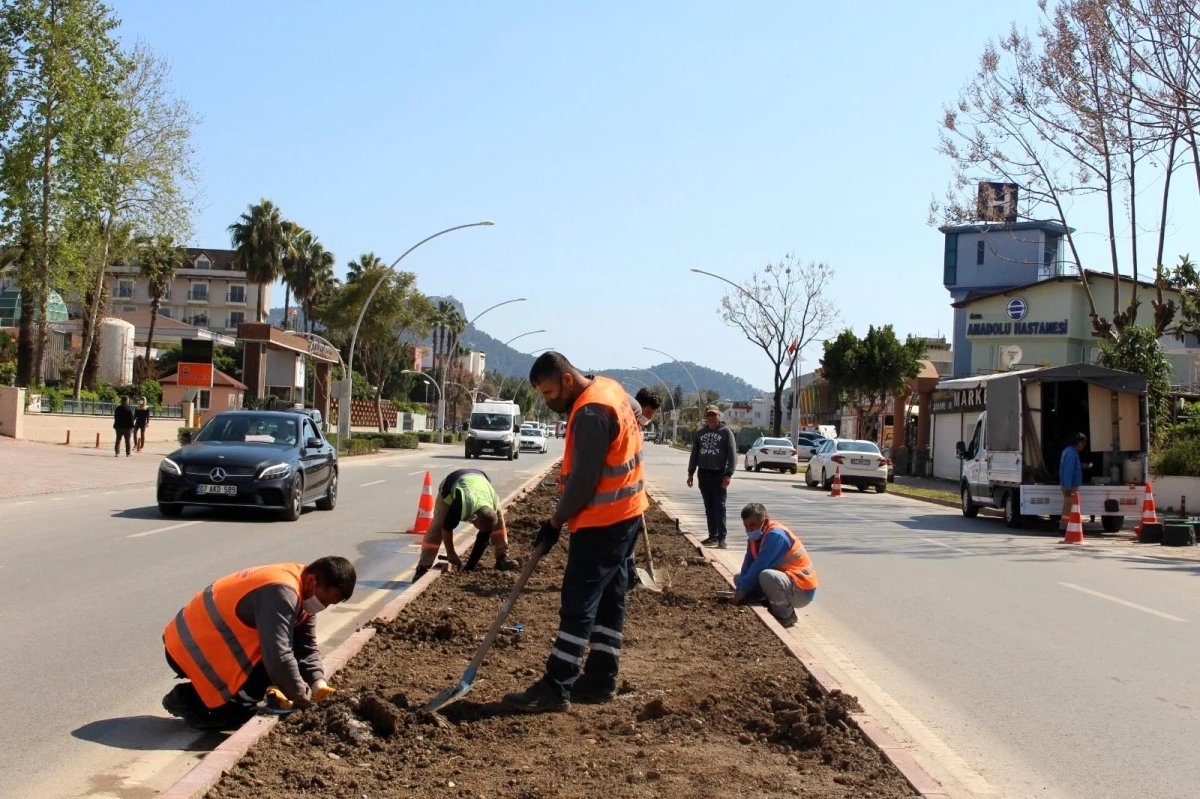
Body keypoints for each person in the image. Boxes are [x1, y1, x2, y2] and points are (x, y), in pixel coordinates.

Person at [503, 352, 648, 713]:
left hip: (603, 520)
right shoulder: (608, 388)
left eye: (550, 393)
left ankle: (557, 684)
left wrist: (554, 522)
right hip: (628, 513)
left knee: (578, 602)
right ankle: (600, 680)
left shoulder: (590, 412)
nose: (548, 401)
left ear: (567, 380)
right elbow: (636, 411)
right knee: (611, 597)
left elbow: (584, 482)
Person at [161, 556, 356, 730]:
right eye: (323, 600)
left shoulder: (302, 587)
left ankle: (222, 697)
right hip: (189, 649)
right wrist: (302, 700)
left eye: (329, 604)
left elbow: (305, 646)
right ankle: (188, 698)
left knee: (279, 668)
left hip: (207, 644)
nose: (323, 607)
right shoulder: (282, 591)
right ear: (312, 580)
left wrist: (317, 683)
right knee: (242, 708)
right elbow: (278, 656)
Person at [413, 468, 519, 580]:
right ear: (474, 517)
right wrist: (451, 553)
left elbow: (483, 541)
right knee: (438, 525)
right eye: (479, 528)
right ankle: (423, 566)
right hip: (452, 484)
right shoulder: (461, 503)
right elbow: (446, 528)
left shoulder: (493, 503)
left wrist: (469, 567)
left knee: (498, 521)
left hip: (481, 481)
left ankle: (502, 556)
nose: (478, 531)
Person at [731, 502, 818, 628]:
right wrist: (739, 590)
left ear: (765, 522)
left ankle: (786, 616)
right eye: (746, 526)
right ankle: (769, 603)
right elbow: (748, 566)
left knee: (767, 576)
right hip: (787, 582)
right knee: (739, 578)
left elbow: (758, 567)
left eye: (753, 525)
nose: (749, 530)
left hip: (802, 590)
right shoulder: (754, 539)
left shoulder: (776, 536)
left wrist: (741, 593)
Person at [687, 405, 737, 548]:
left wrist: (729, 474)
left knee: (719, 506)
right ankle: (712, 536)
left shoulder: (726, 432)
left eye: (714, 415)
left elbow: (732, 454)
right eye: (709, 415)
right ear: (705, 417)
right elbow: (694, 454)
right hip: (703, 474)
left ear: (719, 416)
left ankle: (722, 538)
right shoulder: (700, 433)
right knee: (708, 506)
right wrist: (690, 473)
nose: (711, 418)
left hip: (719, 474)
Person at [1059, 432, 1090, 530]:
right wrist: (1068, 487)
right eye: (1084, 444)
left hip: (1070, 485)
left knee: (1069, 507)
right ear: (1080, 443)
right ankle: (1065, 528)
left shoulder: (1070, 452)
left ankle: (1066, 526)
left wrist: (1081, 465)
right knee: (1069, 507)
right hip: (1070, 486)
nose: (1084, 446)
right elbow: (1067, 471)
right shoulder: (1071, 454)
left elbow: (1070, 467)